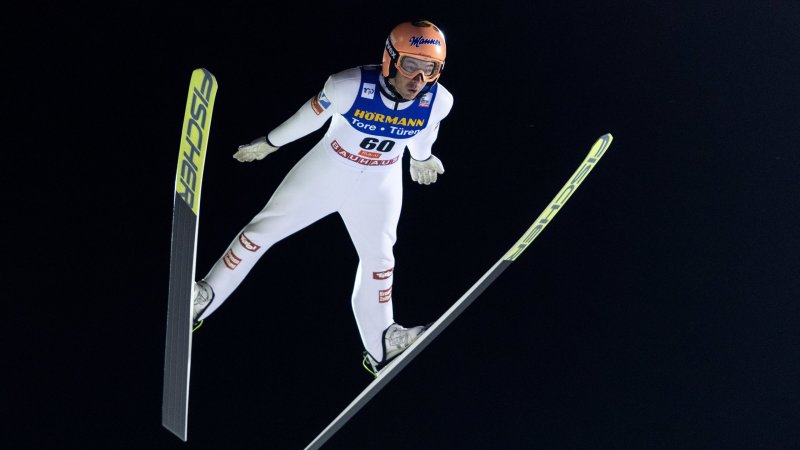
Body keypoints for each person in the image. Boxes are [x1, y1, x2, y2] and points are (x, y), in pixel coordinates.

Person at [191, 20, 453, 376]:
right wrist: (269, 143)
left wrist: (422, 158)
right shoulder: (348, 85)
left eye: (431, 69)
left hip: (379, 183)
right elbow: (308, 118)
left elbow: (425, 131)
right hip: (328, 171)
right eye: (411, 65)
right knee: (260, 233)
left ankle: (382, 343)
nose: (419, 80)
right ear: (390, 59)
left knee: (380, 260)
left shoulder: (439, 100)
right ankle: (203, 298)